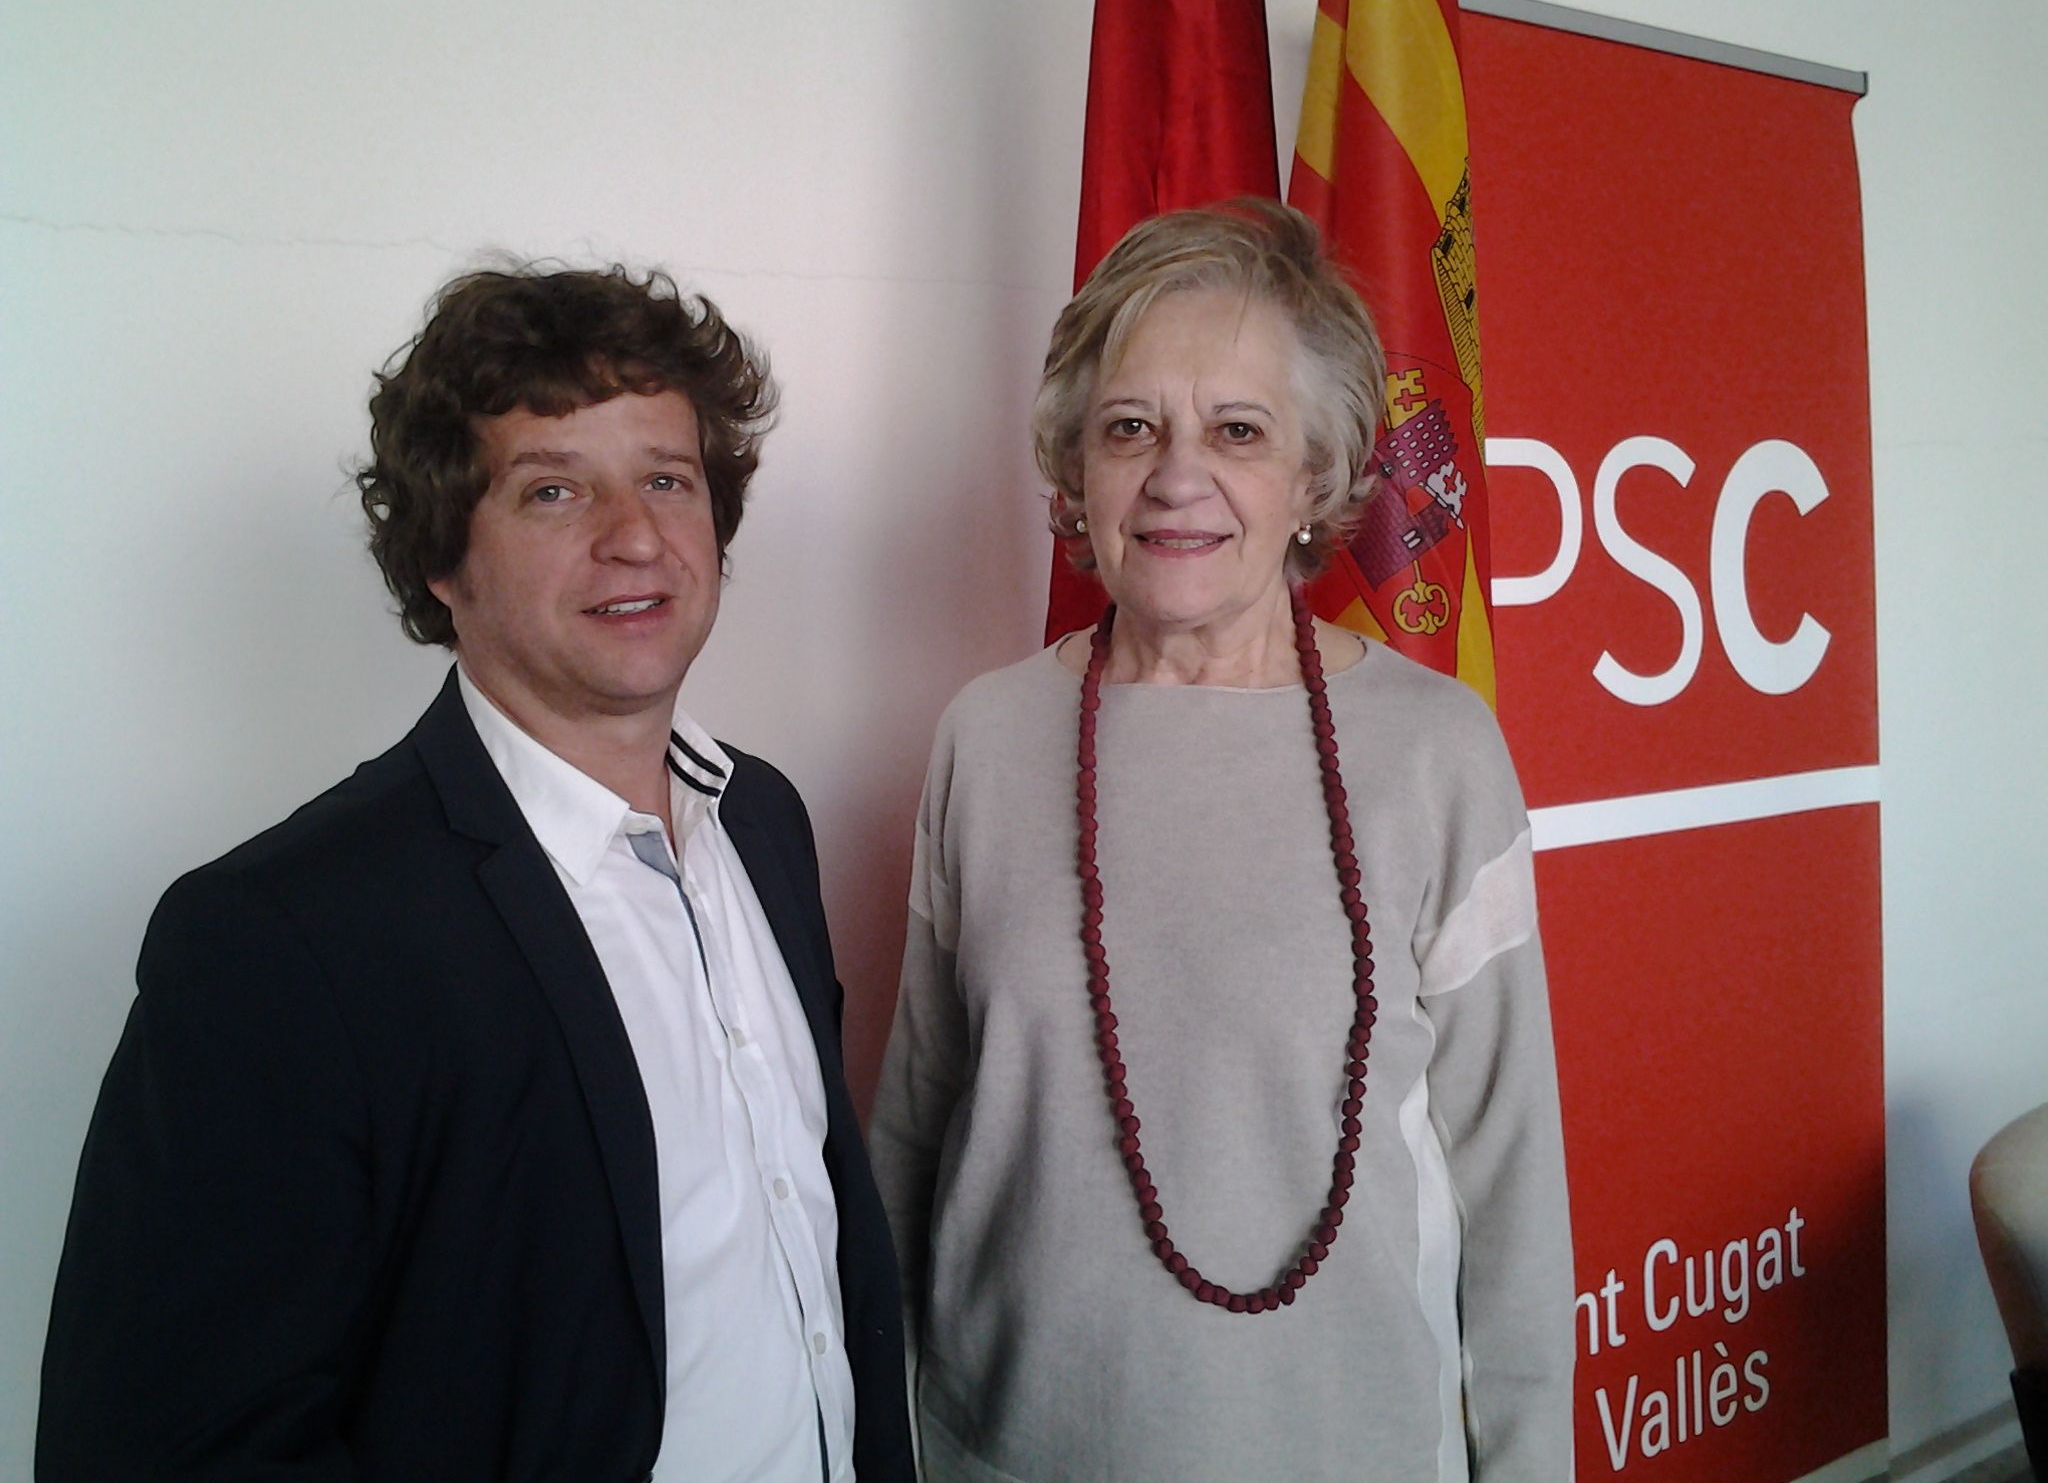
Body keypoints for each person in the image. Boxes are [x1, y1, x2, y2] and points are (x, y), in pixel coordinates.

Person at [38, 264, 913, 1483]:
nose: (635, 536)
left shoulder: (760, 824)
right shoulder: (283, 938)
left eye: (667, 477)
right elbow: (168, 1450)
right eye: (552, 488)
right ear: (444, 558)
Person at [868, 201, 1572, 1481]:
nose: (1174, 475)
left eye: (1236, 432)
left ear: (1313, 479)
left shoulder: (1438, 751)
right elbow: (914, 1128)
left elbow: (1511, 1186)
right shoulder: (984, 735)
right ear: (1076, 471)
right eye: (1130, 427)